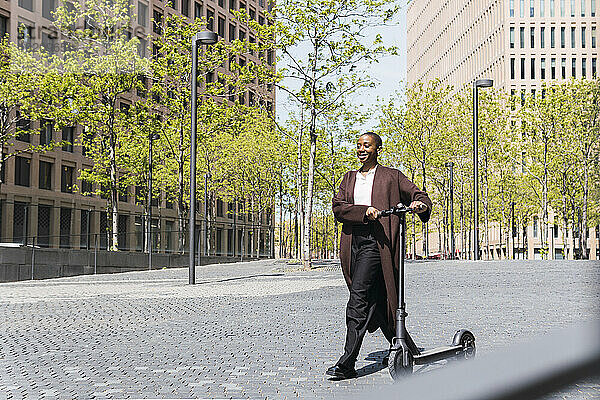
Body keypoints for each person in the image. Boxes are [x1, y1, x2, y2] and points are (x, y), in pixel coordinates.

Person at [327, 132, 432, 379]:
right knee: (377, 302)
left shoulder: (391, 176)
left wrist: (420, 205)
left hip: (377, 243)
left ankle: (347, 362)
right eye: (359, 146)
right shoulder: (349, 178)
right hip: (354, 243)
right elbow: (338, 207)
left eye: (367, 145)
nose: (361, 149)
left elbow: (419, 195)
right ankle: (408, 350)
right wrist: (365, 211)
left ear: (378, 149)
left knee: (358, 298)